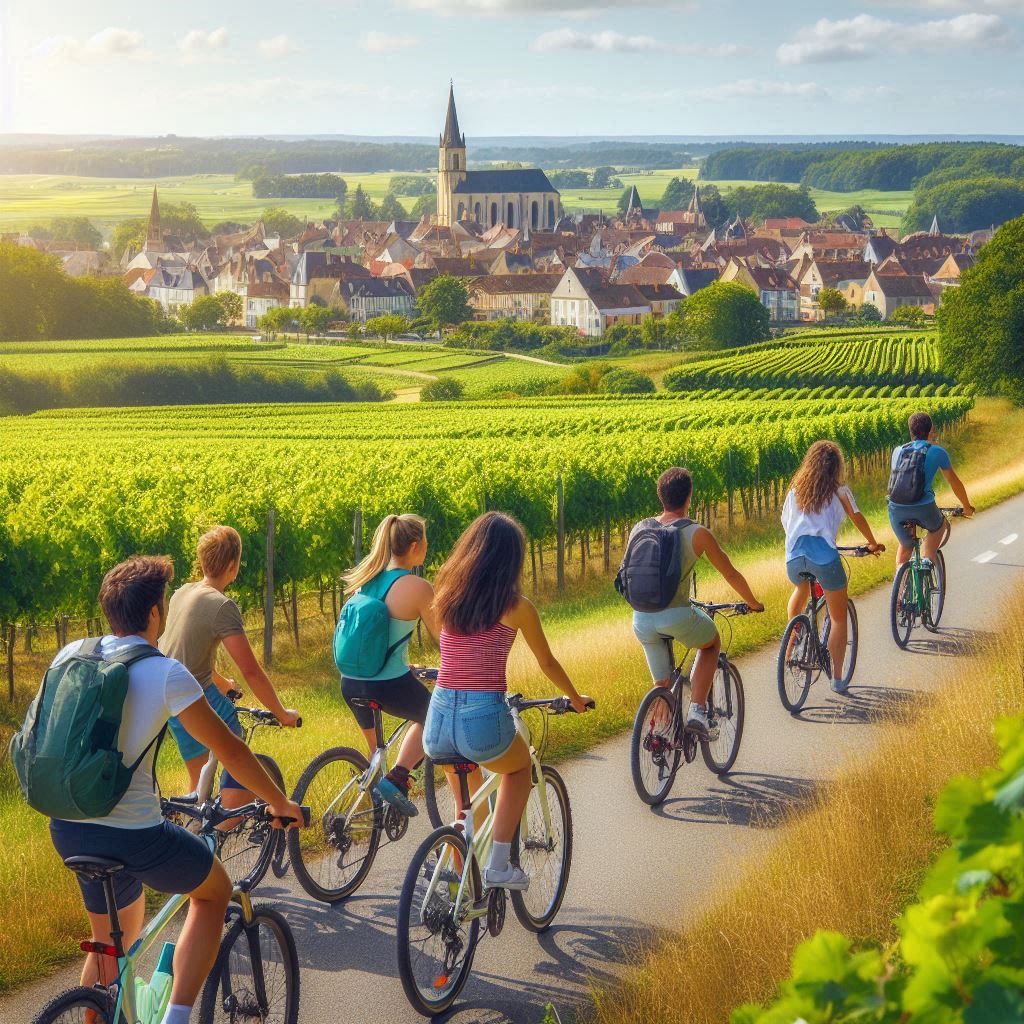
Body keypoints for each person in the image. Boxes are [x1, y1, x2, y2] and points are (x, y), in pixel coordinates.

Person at [47, 556, 303, 1024]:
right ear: (153, 615)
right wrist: (279, 802)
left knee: (111, 941)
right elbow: (232, 753)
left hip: (66, 826)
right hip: (133, 834)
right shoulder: (165, 672)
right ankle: (177, 1018)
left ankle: (98, 1012)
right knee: (213, 894)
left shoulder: (70, 654)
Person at [424, 511, 590, 891]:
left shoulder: (447, 596)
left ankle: (459, 889)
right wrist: (575, 698)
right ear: (511, 560)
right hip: (480, 717)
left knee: (467, 807)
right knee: (517, 769)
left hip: (438, 716)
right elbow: (546, 661)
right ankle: (498, 865)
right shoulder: (516, 607)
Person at [162, 526, 299, 813]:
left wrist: (223, 683)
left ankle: (194, 836)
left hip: (170, 697)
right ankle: (216, 838)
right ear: (233, 566)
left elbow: (185, 654)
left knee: (198, 788)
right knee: (243, 771)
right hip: (199, 698)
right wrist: (281, 713)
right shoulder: (222, 605)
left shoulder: (181, 593)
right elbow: (251, 671)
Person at [630, 467, 763, 738]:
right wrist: (753, 602)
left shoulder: (640, 528)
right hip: (675, 616)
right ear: (689, 498)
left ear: (661, 496)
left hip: (641, 619)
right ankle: (698, 711)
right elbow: (730, 573)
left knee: (662, 684)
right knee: (711, 643)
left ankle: (658, 737)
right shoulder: (697, 533)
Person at [340, 514, 438, 817]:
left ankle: (376, 787)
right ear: (414, 546)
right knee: (435, 715)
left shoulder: (365, 581)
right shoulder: (418, 587)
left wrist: (405, 665)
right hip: (387, 684)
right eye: (424, 541)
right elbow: (445, 640)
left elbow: (372, 640)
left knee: (375, 757)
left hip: (350, 681)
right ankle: (398, 777)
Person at [782, 440, 884, 693]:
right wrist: (872, 543)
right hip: (824, 558)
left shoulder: (796, 489)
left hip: (794, 558)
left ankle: (793, 641)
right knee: (838, 618)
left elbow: (786, 522)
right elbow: (856, 517)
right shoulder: (840, 491)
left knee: (801, 588)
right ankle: (837, 678)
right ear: (837, 466)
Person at [888, 411, 975, 568]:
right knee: (938, 527)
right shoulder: (937, 451)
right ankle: (928, 559)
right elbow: (954, 482)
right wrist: (966, 506)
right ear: (931, 430)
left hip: (895, 508)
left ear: (911, 431)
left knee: (905, 548)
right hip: (923, 507)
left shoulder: (897, 451)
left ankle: (899, 588)